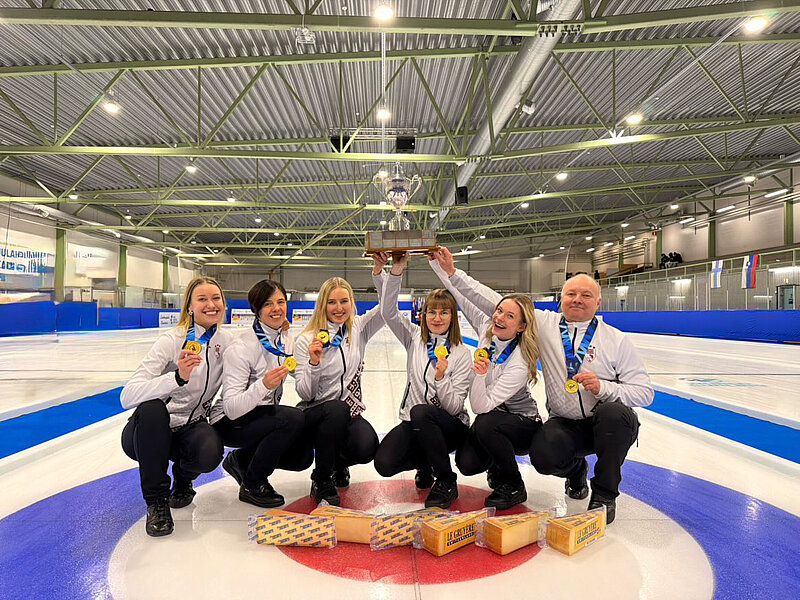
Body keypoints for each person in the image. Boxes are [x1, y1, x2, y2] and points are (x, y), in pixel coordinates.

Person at [431, 249, 653, 523]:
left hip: (606, 425)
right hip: (566, 423)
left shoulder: (616, 340)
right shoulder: (545, 324)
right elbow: (493, 300)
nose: (577, 300)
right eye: (571, 294)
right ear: (561, 299)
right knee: (543, 457)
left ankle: (605, 494)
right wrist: (452, 273)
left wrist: (604, 388)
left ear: (598, 302)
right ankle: (575, 470)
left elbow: (645, 392)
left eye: (585, 295)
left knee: (614, 414)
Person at [429, 250, 542, 510]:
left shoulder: (520, 361)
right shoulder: (485, 328)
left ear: (521, 327)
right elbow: (459, 294)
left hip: (523, 425)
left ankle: (514, 483)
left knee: (485, 423)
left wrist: (479, 376)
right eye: (499, 311)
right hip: (492, 420)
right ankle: (497, 465)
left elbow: (481, 406)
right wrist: (440, 266)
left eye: (509, 316)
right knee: (467, 464)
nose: (499, 318)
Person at [120, 276, 232, 537]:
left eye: (216, 298)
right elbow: (127, 396)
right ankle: (157, 502)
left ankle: (183, 478)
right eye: (202, 299)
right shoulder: (171, 341)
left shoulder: (227, 343)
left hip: (190, 428)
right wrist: (177, 377)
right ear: (190, 307)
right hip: (150, 433)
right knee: (150, 408)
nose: (211, 304)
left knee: (210, 450)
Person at [373, 252, 473, 509]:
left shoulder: (462, 354)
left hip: (451, 426)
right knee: (384, 463)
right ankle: (426, 463)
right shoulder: (414, 338)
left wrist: (441, 379)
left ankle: (446, 480)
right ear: (423, 315)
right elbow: (387, 311)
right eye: (431, 312)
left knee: (422, 412)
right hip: (415, 423)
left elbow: (453, 407)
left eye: (443, 312)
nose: (437, 318)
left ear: (453, 317)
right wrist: (396, 270)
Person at [213, 279, 312, 508]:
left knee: (302, 457)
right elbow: (231, 408)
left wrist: (316, 364)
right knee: (293, 417)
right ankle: (253, 482)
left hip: (261, 417)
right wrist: (263, 386)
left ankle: (241, 460)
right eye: (268, 304)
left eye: (280, 302)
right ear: (256, 310)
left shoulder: (286, 339)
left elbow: (299, 373)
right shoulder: (242, 348)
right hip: (229, 421)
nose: (276, 308)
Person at [293, 272, 384, 505]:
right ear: (323, 305)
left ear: (351, 303)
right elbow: (305, 394)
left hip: (347, 414)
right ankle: (321, 478)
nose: (339, 308)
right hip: (315, 415)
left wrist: (384, 273)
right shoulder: (306, 339)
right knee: (336, 409)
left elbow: (387, 305)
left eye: (344, 301)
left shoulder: (358, 329)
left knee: (367, 446)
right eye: (332, 302)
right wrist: (314, 363)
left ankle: (337, 463)